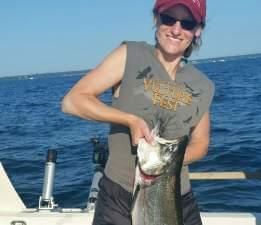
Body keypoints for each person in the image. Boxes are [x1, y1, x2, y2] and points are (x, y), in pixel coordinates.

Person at [61, 0, 214, 224]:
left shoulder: (202, 85)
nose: (176, 29)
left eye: (187, 23)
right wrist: (129, 120)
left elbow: (200, 143)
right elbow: (72, 102)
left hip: (179, 199)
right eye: (169, 18)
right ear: (156, 19)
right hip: (118, 197)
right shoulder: (130, 55)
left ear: (198, 30)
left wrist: (166, 162)